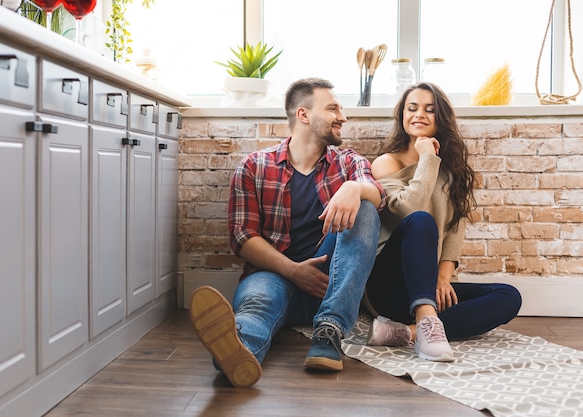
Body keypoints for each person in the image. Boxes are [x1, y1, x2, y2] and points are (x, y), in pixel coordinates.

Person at [189, 77, 385, 387]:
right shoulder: (254, 166)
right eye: (333, 108)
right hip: (274, 275)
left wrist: (353, 187)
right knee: (257, 306)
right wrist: (294, 271)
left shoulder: (349, 163)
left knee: (365, 208)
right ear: (303, 115)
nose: (343, 117)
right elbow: (242, 237)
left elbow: (378, 195)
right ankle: (236, 351)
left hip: (330, 283)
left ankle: (329, 330)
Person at [363, 82, 522, 362]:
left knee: (509, 296)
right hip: (388, 286)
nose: (419, 114)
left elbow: (453, 231)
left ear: (441, 119)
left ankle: (408, 332)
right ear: (402, 116)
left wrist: (442, 277)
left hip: (428, 283)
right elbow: (408, 211)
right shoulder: (386, 163)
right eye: (412, 108)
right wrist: (426, 157)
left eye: (430, 110)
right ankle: (426, 317)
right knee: (421, 220)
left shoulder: (449, 172)